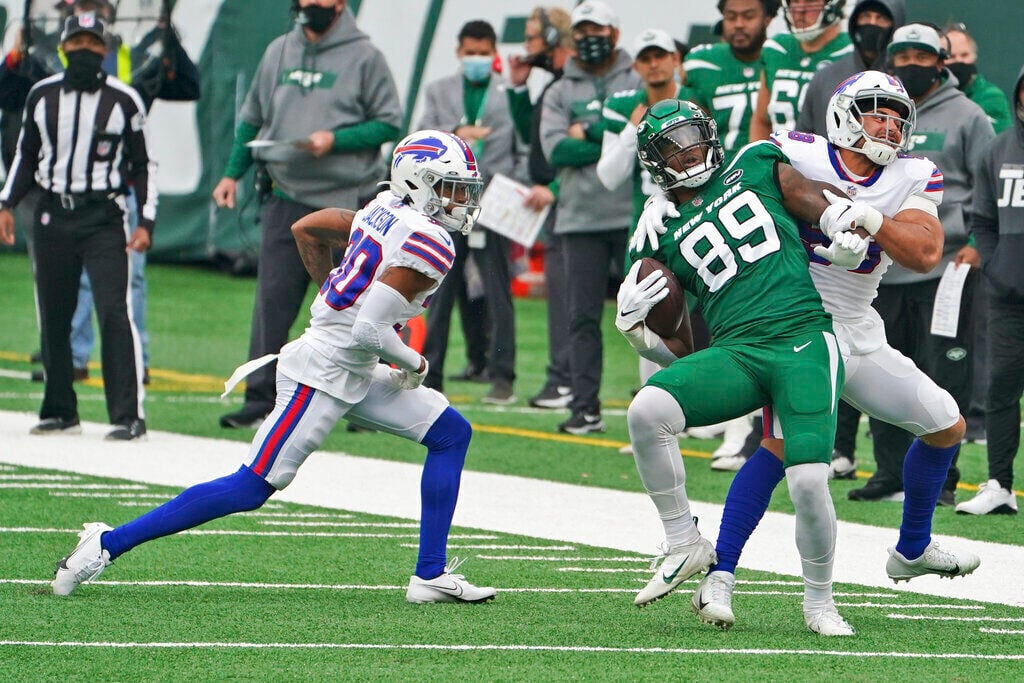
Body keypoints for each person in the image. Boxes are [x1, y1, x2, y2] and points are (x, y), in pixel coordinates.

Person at [48, 130, 497, 605]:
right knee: (250, 487)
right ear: (418, 181)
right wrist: (417, 363)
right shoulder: (430, 240)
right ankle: (104, 544)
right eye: (449, 187)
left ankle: (429, 574)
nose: (459, 200)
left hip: (351, 365)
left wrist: (337, 297)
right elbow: (368, 329)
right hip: (322, 371)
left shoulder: (384, 206)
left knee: (451, 434)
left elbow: (307, 227)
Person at [642, 72, 982, 631]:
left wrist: (869, 218)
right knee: (782, 449)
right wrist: (661, 197)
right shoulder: (797, 150)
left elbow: (924, 252)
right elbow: (718, 172)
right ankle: (720, 574)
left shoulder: (914, 174)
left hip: (857, 325)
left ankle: (913, 548)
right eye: (877, 113)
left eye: (898, 116)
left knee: (946, 425)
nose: (890, 126)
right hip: (791, 323)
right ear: (845, 114)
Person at [621, 98, 856, 636]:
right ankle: (684, 540)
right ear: (654, 162)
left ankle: (820, 601)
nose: (688, 153)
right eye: (672, 147)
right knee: (647, 410)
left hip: (801, 337)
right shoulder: (656, 231)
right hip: (737, 351)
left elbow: (806, 193)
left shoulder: (753, 161)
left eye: (693, 138)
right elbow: (681, 348)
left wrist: (837, 217)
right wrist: (642, 337)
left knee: (807, 483)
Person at [216, 0, 402, 429]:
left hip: (344, 206)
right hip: (285, 196)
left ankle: (369, 402)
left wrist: (333, 140)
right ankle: (259, 397)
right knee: (272, 303)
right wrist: (230, 175)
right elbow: (251, 120)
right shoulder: (278, 49)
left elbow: (389, 122)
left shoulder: (365, 56)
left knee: (355, 307)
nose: (309, 5)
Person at [849, 25, 995, 504]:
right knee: (883, 369)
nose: (912, 62)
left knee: (942, 373)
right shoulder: (871, 117)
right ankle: (889, 472)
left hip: (945, 267)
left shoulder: (970, 117)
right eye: (903, 54)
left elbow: (988, 187)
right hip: (883, 265)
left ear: (940, 62)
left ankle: (942, 481)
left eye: (922, 54)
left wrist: (975, 243)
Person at [0, 13, 155, 441]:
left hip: (103, 215)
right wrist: (6, 203)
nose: (84, 50)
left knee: (112, 311)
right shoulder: (42, 96)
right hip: (52, 213)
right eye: (77, 43)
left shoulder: (124, 100)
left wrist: (146, 220)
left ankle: (127, 415)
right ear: (63, 48)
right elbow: (26, 156)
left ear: (104, 50)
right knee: (53, 313)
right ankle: (59, 409)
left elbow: (144, 167)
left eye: (92, 44)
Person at [539, 0, 640, 433]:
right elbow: (556, 149)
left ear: (614, 33)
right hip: (579, 219)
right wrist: (616, 137)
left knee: (655, 314)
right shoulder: (560, 90)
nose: (587, 38)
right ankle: (584, 409)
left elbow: (646, 134)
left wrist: (592, 129)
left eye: (596, 29)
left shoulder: (637, 77)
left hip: (634, 216)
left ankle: (673, 405)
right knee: (581, 317)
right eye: (580, 31)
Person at [418, 20, 522, 405]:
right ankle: (431, 375)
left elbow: (520, 150)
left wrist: (509, 191)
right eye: (470, 52)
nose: (476, 58)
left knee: (498, 291)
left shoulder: (507, 94)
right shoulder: (438, 90)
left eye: (483, 52)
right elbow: (422, 136)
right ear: (459, 52)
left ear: (493, 53)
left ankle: (502, 377)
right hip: (447, 205)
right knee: (438, 291)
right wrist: (457, 130)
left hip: (493, 204)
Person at [955, 65, 1024, 516]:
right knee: (1000, 389)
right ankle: (999, 484)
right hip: (1007, 297)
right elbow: (981, 221)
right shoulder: (997, 150)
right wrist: (1000, 268)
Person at [944, 22, 1014, 443]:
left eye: (965, 56)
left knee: (982, 329)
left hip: (983, 233)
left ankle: (983, 415)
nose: (958, 63)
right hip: (935, 242)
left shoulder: (987, 101)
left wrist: (975, 243)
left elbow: (994, 169)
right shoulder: (924, 103)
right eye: (950, 56)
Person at [506, 6, 577, 411]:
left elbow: (571, 152)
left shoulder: (569, 84)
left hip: (570, 201)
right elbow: (530, 136)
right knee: (561, 292)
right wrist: (518, 88)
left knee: (570, 296)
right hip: (555, 201)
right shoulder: (553, 82)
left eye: (533, 37)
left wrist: (552, 186)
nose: (527, 45)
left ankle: (566, 379)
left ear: (552, 39)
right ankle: (561, 377)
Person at [748, 0, 852, 141]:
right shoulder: (777, 49)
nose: (799, 10)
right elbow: (762, 120)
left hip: (828, 159)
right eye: (795, 1)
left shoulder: (852, 52)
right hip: (780, 158)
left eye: (809, 1)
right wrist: (760, 160)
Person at [797, 0, 904, 135]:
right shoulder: (825, 78)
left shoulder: (905, 80)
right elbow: (802, 136)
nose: (872, 23)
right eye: (865, 16)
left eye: (881, 18)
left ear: (895, 24)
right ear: (854, 21)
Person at [683, 0, 776, 154]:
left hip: (779, 166)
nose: (739, 24)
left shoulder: (781, 57)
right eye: (731, 17)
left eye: (748, 16)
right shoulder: (702, 63)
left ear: (767, 18)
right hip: (723, 170)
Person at [944, 24, 1013, 135]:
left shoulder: (991, 97)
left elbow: (1000, 144)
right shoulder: (930, 96)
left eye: (965, 55)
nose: (959, 60)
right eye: (951, 56)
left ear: (974, 57)